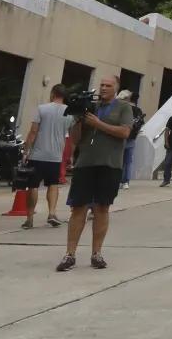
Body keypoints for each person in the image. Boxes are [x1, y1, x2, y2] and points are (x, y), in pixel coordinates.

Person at [56, 75, 134, 272]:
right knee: (78, 208)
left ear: (116, 88)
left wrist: (98, 123)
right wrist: (80, 121)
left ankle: (96, 253)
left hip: (109, 165)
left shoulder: (124, 108)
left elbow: (125, 132)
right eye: (102, 85)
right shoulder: (91, 107)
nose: (104, 88)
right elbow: (75, 139)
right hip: (86, 163)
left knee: (101, 208)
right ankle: (70, 254)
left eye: (108, 85)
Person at [20, 84, 73, 229]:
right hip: (55, 156)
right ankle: (52, 213)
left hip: (37, 154)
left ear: (53, 93)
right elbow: (72, 136)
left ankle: (29, 218)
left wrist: (26, 151)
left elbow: (33, 131)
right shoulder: (70, 113)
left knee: (33, 185)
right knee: (53, 184)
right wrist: (71, 155)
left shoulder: (42, 108)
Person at [118, 90, 144, 189]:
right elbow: (140, 125)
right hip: (132, 138)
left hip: (121, 137)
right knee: (128, 162)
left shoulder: (124, 108)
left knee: (119, 160)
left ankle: (118, 180)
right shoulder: (138, 111)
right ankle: (126, 182)